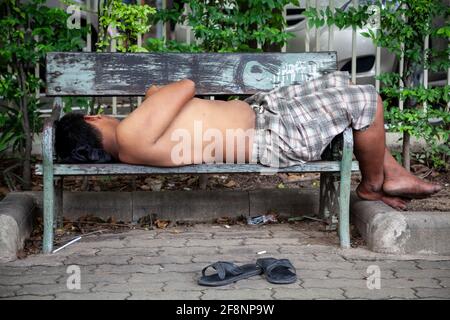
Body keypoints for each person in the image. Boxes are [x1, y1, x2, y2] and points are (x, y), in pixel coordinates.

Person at [55, 71, 442, 210]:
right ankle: (374, 185)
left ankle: (391, 173)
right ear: (93, 118)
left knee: (340, 86)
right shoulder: (129, 133)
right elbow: (186, 86)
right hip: (273, 134)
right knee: (365, 99)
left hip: (267, 114)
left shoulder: (129, 144)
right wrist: (156, 95)